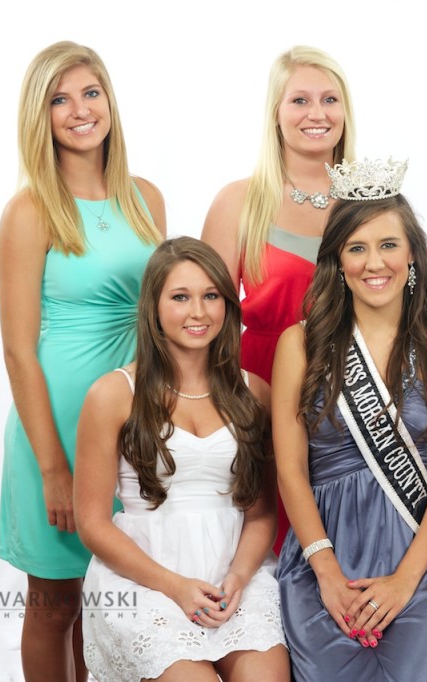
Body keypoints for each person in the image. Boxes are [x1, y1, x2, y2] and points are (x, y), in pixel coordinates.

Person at [0, 41, 165, 680]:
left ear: (110, 103)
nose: (79, 110)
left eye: (90, 93)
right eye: (59, 99)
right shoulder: (31, 209)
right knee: (56, 602)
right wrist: (52, 469)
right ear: (41, 117)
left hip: (131, 420)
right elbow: (17, 350)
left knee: (114, 600)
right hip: (58, 424)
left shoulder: (146, 198)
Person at [273, 159, 427, 681]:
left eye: (388, 245)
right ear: (337, 261)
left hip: (420, 560)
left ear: (412, 255)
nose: (373, 262)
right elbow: (291, 469)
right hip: (324, 561)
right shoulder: (300, 345)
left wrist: (406, 580)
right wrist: (326, 572)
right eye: (356, 248)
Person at [75, 237, 289, 681]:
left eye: (211, 295)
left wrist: (238, 577)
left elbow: (262, 512)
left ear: (228, 305)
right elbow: (92, 523)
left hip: (234, 573)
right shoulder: (113, 395)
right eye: (180, 297)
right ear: (153, 306)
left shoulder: (255, 395)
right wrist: (174, 587)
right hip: (145, 577)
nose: (198, 312)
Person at [202, 45, 357, 553]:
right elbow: (203, 321)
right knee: (263, 541)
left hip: (354, 390)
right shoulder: (239, 201)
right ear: (276, 113)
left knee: (344, 539)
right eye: (299, 100)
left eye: (330, 99)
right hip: (260, 386)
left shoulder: (371, 203)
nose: (317, 114)